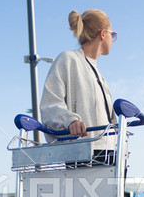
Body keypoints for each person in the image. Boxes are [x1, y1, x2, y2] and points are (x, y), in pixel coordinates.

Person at [40, 9, 117, 160]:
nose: (112, 39)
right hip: (83, 154)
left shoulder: (98, 74)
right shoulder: (67, 60)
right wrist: (70, 121)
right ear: (103, 34)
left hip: (110, 153)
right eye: (112, 35)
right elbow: (50, 105)